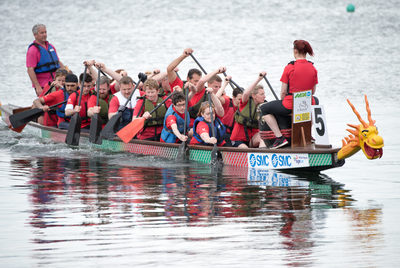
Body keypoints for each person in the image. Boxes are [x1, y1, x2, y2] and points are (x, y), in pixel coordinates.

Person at [260, 40, 318, 149]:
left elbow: (283, 92)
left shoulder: (289, 67)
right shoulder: (313, 68)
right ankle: (308, 135)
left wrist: (282, 102)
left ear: (295, 51)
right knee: (315, 100)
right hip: (307, 104)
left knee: (264, 109)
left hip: (290, 104)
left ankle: (279, 138)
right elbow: (313, 91)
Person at [230, 72, 267, 148]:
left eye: (264, 94)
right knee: (245, 149)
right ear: (254, 95)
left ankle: (261, 156)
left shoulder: (263, 106)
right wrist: (259, 79)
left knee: (263, 137)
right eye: (261, 94)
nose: (264, 96)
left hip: (251, 139)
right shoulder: (245, 102)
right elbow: (246, 93)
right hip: (238, 139)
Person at [26, 24, 64, 96]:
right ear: (35, 35)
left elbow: (58, 62)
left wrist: (67, 74)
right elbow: (30, 70)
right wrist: (37, 87)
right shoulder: (33, 50)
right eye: (42, 33)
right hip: (43, 84)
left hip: (56, 82)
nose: (44, 35)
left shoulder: (50, 46)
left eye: (45, 32)